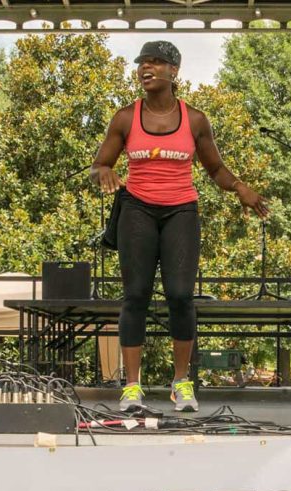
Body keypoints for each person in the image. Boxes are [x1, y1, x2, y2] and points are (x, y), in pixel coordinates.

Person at [91, 40, 269, 413]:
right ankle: (132, 387)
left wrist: (240, 187)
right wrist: (105, 171)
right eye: (142, 62)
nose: (146, 68)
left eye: (156, 62)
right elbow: (99, 164)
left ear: (174, 70)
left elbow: (215, 169)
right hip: (137, 210)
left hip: (180, 212)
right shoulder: (125, 118)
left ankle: (181, 383)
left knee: (180, 296)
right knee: (136, 295)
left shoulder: (196, 120)